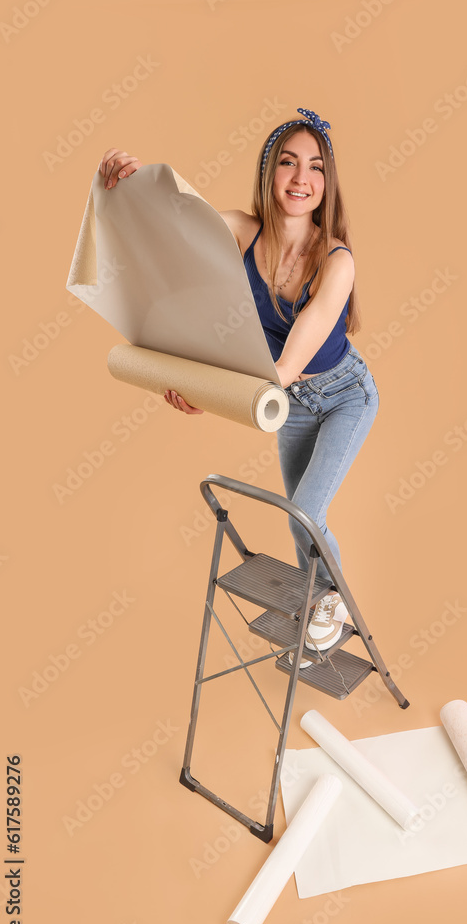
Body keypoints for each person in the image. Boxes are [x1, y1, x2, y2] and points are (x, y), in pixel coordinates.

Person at [98, 108, 379, 656]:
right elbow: (171, 217)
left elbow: (287, 364)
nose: (302, 179)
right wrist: (129, 182)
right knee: (299, 509)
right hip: (292, 404)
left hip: (344, 395)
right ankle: (320, 596)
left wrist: (223, 394)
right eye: (289, 163)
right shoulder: (241, 231)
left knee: (306, 509)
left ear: (328, 183)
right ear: (269, 171)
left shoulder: (337, 261)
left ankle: (334, 603)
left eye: (316, 167)